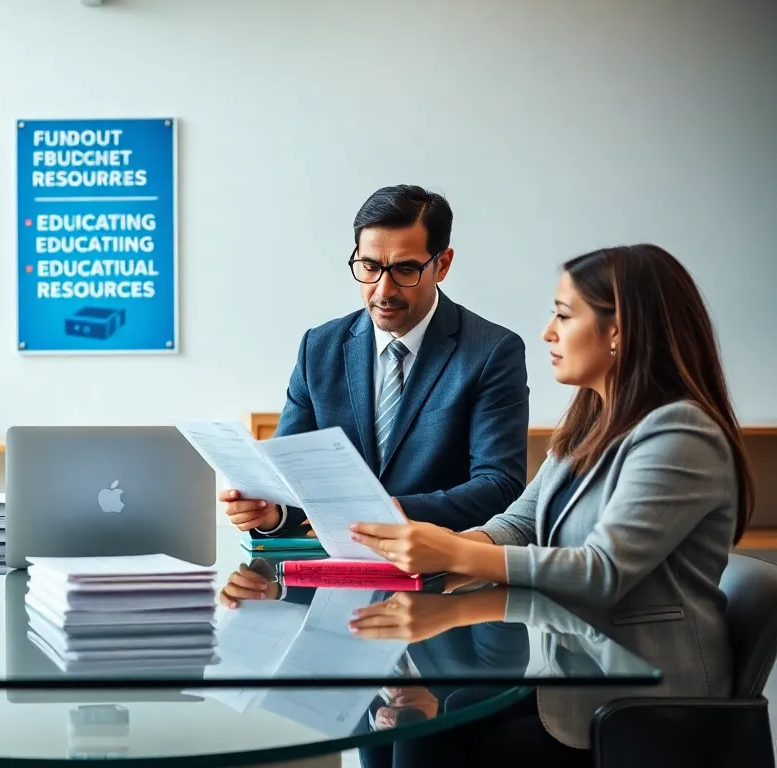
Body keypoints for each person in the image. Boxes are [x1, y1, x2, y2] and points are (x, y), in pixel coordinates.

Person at [346, 244, 753, 766]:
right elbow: (521, 522)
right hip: (579, 678)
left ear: (618, 331)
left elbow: (602, 572)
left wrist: (452, 553)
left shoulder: (680, 432)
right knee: (426, 725)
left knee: (440, 738)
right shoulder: (590, 421)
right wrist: (444, 552)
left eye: (563, 315)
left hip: (646, 707)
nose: (547, 332)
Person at [223, 185, 529, 538]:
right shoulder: (319, 348)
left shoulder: (492, 351)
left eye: (405, 269)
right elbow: (289, 475)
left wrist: (395, 511)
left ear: (442, 265)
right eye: (369, 267)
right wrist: (272, 511)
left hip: (439, 560)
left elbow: (499, 485)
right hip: (335, 561)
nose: (383, 290)